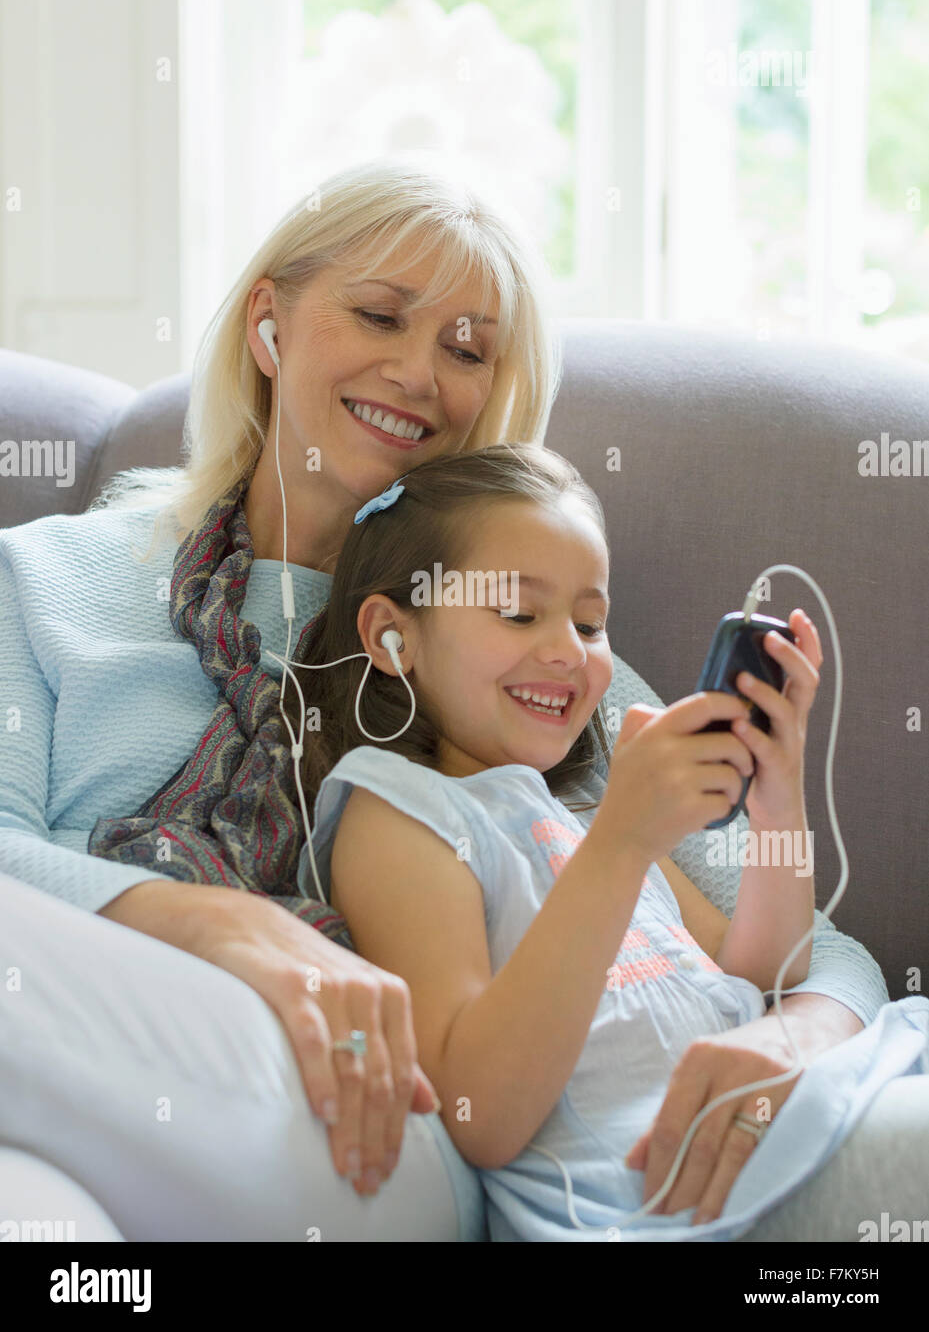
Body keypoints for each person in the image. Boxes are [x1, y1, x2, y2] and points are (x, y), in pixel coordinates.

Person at [0, 156, 915, 1242]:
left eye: (466, 348)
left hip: (380, 1128)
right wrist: (216, 921)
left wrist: (790, 1043)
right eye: (378, 314)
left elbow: (808, 948)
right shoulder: (49, 578)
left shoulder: (527, 653)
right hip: (89, 1092)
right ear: (269, 323)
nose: (417, 372)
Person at [277, 441, 929, 1241]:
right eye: (518, 612)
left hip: (808, 1104)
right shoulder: (401, 814)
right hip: (678, 1192)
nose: (567, 651)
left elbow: (762, 972)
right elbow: (477, 1110)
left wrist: (776, 794)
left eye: (589, 622)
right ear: (392, 637)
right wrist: (621, 842)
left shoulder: (585, 811)